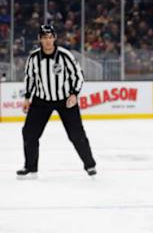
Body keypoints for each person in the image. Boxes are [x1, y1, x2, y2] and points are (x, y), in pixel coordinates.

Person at [16, 24, 96, 179]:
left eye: (50, 37)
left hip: (65, 100)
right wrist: (27, 97)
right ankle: (30, 167)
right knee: (29, 133)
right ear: (39, 39)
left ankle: (90, 165)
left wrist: (74, 94)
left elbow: (78, 75)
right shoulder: (33, 58)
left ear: (55, 38)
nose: (47, 41)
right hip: (41, 100)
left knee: (76, 134)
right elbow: (30, 78)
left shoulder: (65, 55)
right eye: (44, 37)